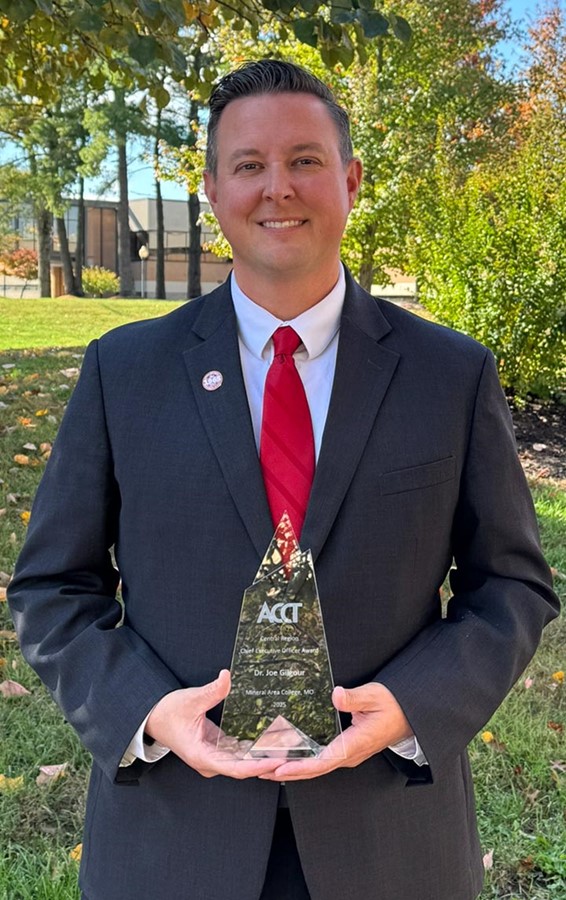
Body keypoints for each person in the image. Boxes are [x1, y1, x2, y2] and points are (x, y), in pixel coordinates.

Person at [8, 60, 558, 900]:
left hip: (388, 838)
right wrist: (148, 711)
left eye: (305, 160)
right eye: (249, 165)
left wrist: (411, 705)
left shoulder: (450, 374)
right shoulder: (126, 371)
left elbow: (513, 585)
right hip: (173, 838)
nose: (279, 188)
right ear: (212, 190)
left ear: (350, 180)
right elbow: (51, 588)